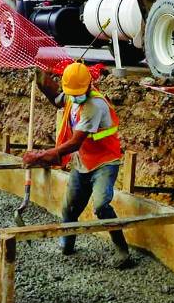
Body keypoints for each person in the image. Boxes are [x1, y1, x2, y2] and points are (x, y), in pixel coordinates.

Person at [22, 62, 131, 265]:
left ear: (89, 85)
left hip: (104, 162)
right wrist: (42, 81)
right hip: (83, 161)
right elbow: (57, 98)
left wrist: (39, 156)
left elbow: (74, 143)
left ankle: (122, 251)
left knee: (100, 205)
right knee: (70, 209)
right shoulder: (74, 96)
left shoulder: (93, 106)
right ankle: (67, 244)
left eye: (77, 93)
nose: (73, 97)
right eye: (70, 93)